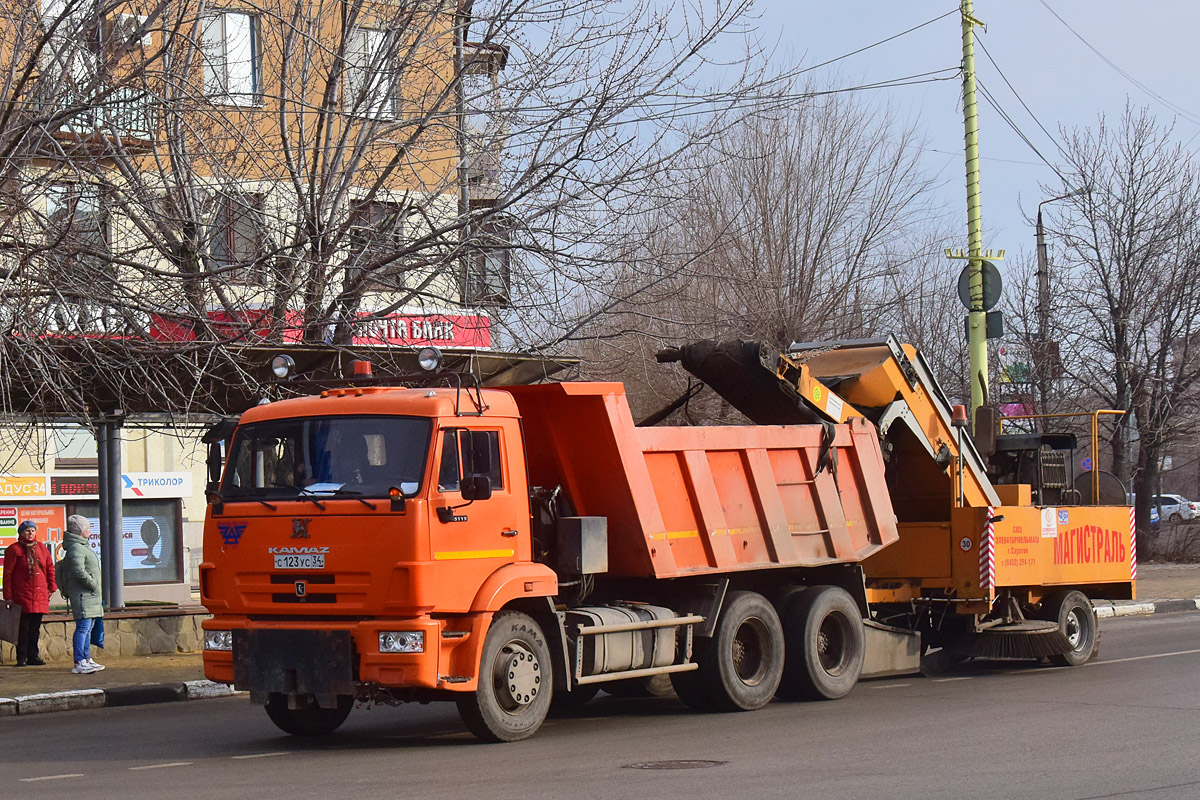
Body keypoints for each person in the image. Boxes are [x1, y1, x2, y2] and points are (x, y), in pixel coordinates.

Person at [2, 520, 57, 666]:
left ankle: (33, 656)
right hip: (22, 594)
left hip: (39, 594)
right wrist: (8, 596)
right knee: (23, 627)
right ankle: (22, 657)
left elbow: (50, 568)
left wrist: (51, 587)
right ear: (21, 533)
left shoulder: (41, 548)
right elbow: (7, 574)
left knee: (35, 628)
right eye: (27, 530)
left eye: (33, 530)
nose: (30, 533)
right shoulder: (14, 550)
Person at [59, 515, 106, 674]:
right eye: (87, 528)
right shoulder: (76, 548)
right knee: (83, 628)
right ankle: (79, 661)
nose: (89, 530)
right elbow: (78, 570)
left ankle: (86, 659)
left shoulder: (82, 547)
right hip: (83, 596)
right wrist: (92, 583)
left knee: (88, 627)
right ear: (80, 530)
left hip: (89, 596)